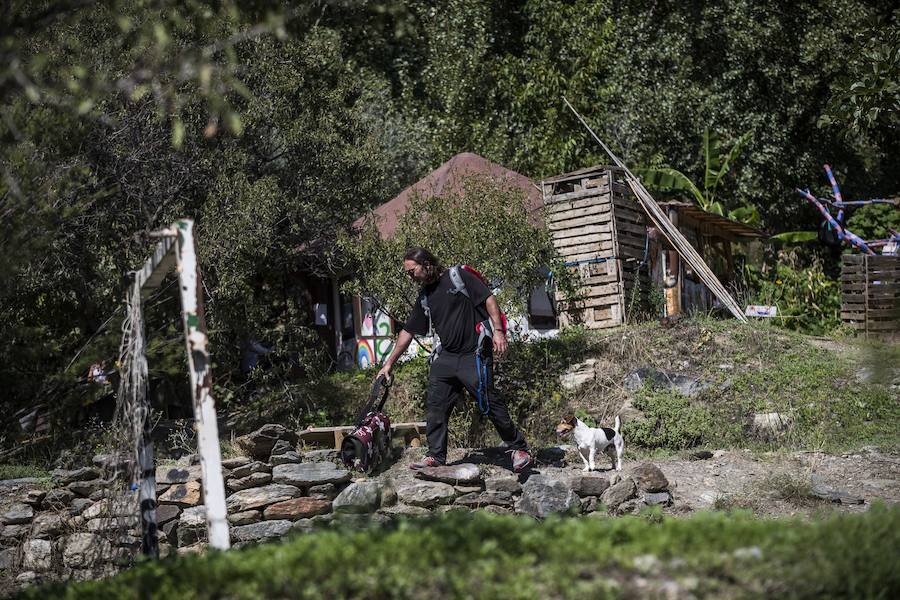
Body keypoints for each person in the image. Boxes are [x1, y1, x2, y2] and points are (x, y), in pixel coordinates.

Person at [376, 247, 533, 473]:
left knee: (488, 401)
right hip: (447, 356)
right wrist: (389, 363)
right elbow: (408, 331)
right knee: (435, 405)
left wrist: (498, 331)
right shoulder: (425, 297)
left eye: (412, 271)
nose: (411, 277)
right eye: (408, 273)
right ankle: (435, 456)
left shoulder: (458, 276)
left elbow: (489, 299)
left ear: (427, 264)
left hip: (474, 353)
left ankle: (519, 450)